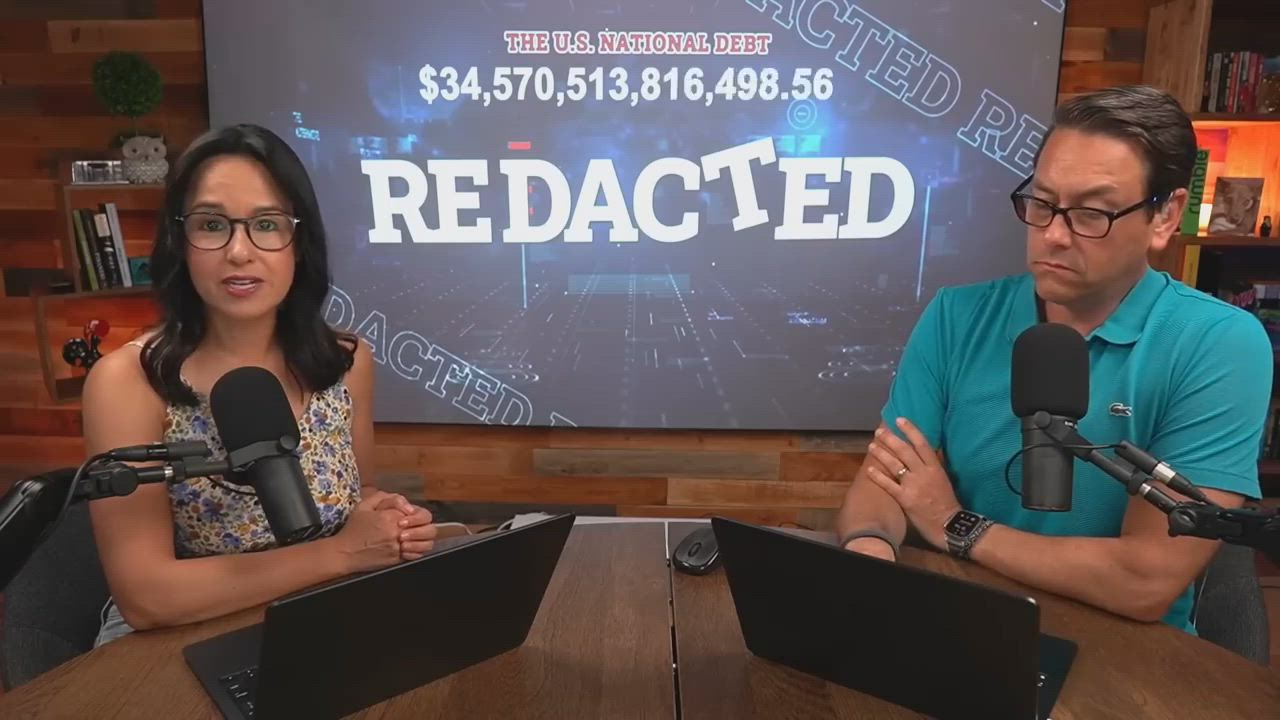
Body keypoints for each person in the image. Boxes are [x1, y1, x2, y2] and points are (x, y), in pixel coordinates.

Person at [834, 85, 1272, 633]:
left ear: (1165, 216)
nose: (1054, 236)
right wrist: (870, 551)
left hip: (1126, 650)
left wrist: (956, 525)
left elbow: (1145, 579)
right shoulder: (957, 316)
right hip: (961, 623)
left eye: (1091, 213)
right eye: (1041, 204)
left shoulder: (1218, 342)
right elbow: (886, 483)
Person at [82, 124, 438, 645]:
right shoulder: (127, 381)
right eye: (211, 225)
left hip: (322, 613)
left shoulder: (345, 361)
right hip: (178, 639)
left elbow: (358, 494)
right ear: (180, 242)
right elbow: (147, 597)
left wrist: (390, 523)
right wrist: (340, 554)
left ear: (300, 242)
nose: (239, 251)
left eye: (267, 224)